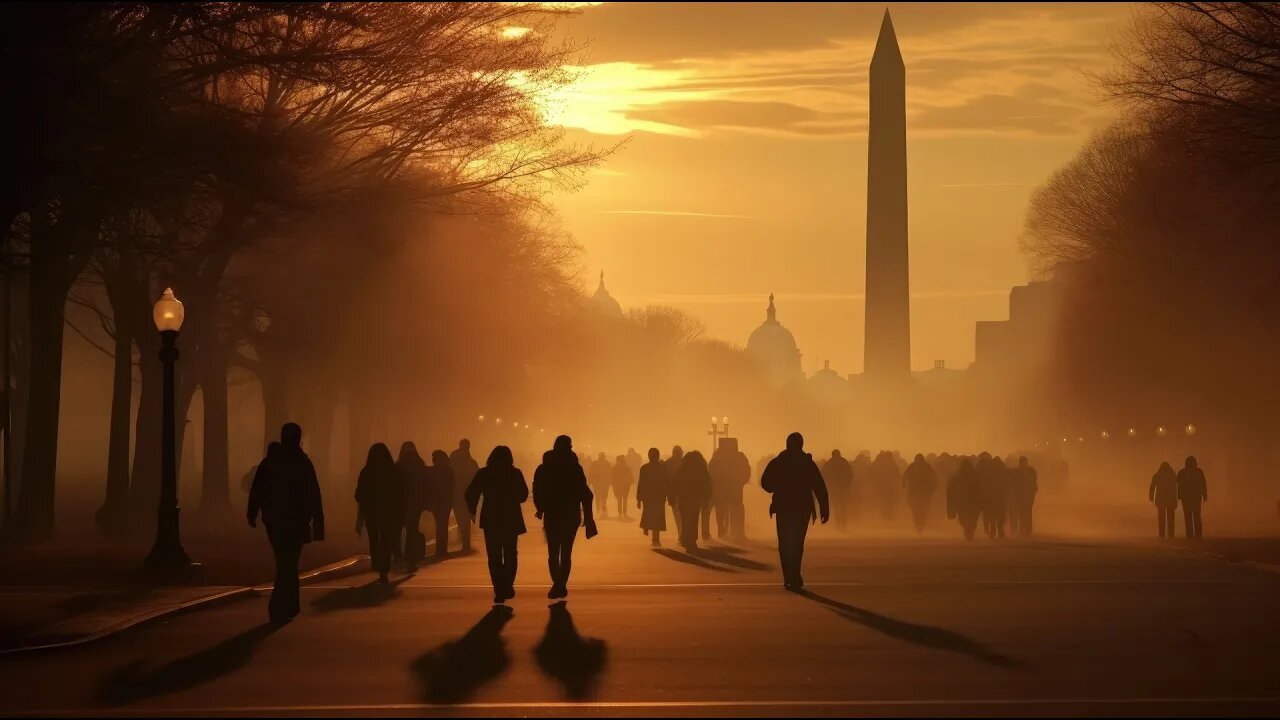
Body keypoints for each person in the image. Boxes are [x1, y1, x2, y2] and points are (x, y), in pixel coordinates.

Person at [247, 424, 324, 623]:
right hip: (297, 520)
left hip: (275, 520)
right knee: (289, 562)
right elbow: (313, 493)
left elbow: (257, 489)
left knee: (284, 561)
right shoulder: (302, 462)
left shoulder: (271, 462)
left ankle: (283, 605)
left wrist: (252, 513)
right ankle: (285, 604)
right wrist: (318, 524)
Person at [762, 433, 829, 591]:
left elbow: (766, 484)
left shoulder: (779, 462)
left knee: (784, 543)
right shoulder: (806, 463)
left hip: (784, 508)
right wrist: (824, 508)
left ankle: (788, 577)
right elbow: (819, 487)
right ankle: (795, 575)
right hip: (802, 508)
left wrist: (778, 486)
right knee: (797, 543)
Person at [533, 436, 597, 599]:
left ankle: (557, 583)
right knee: (566, 552)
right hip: (571, 514)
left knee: (553, 552)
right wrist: (588, 520)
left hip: (552, 514)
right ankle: (561, 584)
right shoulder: (575, 468)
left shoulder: (544, 467)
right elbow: (586, 494)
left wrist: (540, 508)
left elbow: (537, 489)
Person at [465, 445, 529, 604]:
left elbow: (471, 492)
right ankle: (508, 584)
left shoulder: (484, 473)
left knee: (494, 556)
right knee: (510, 554)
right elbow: (523, 495)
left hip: (491, 519)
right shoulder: (515, 473)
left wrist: (472, 508)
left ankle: (499, 587)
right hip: (510, 518)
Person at [355, 443, 403, 584]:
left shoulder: (366, 471)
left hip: (372, 514)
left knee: (374, 540)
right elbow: (400, 494)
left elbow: (359, 495)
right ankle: (384, 569)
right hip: (389, 514)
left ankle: (377, 563)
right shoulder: (393, 471)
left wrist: (359, 518)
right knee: (387, 540)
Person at [709, 438, 751, 541]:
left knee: (722, 510)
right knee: (736, 509)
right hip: (734, 489)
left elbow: (710, 472)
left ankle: (723, 532)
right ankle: (737, 533)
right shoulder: (740, 457)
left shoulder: (716, 457)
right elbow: (746, 471)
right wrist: (741, 482)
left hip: (721, 490)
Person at [398, 442, 431, 570]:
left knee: (400, 530)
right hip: (416, 504)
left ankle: (403, 555)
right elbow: (427, 485)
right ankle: (411, 557)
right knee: (412, 529)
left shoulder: (399, 465)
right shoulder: (420, 464)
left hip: (402, 503)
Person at [672, 450, 712, 552]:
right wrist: (706, 497)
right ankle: (692, 540)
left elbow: (675, 480)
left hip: (683, 498)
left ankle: (685, 539)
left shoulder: (683, 468)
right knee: (694, 520)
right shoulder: (701, 468)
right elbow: (707, 482)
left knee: (685, 520)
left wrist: (673, 494)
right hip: (695, 498)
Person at [449, 439, 480, 553]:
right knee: (466, 518)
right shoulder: (471, 462)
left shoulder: (453, 457)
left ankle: (464, 541)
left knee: (461, 518)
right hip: (467, 495)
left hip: (457, 494)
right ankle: (466, 542)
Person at [636, 447, 669, 547]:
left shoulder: (644, 468)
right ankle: (656, 538)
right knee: (658, 517)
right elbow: (666, 483)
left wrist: (639, 499)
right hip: (659, 496)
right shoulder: (662, 468)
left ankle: (652, 535)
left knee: (650, 515)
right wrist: (668, 495)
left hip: (648, 497)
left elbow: (641, 484)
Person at [947, 459, 982, 540]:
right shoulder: (974, 475)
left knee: (964, 518)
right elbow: (979, 488)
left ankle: (968, 530)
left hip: (964, 501)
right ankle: (970, 530)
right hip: (971, 501)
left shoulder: (959, 476)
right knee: (971, 518)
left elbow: (953, 488)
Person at [902, 453, 937, 534]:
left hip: (915, 493)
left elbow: (904, 476)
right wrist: (933, 488)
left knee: (916, 510)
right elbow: (934, 477)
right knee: (921, 510)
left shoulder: (912, 466)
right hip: (923, 493)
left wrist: (904, 486)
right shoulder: (927, 466)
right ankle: (920, 524)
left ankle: (918, 524)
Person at [430, 450, 455, 558]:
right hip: (445, 502)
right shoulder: (448, 470)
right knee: (443, 526)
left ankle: (440, 550)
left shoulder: (434, 470)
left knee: (440, 526)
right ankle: (442, 550)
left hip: (438, 502)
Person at [821, 450, 852, 532]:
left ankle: (840, 522)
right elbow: (850, 474)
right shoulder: (844, 462)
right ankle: (842, 522)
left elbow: (823, 474)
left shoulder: (830, 463)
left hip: (835, 488)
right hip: (841, 488)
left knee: (837, 505)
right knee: (842, 505)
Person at [1177, 456, 1208, 540]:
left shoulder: (1182, 473)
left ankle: (1189, 535)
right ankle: (1198, 535)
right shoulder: (1198, 472)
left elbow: (1179, 485)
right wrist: (1204, 494)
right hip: (1196, 498)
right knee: (1196, 516)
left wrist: (1179, 495)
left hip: (1186, 498)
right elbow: (1203, 483)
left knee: (1188, 516)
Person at [978, 453, 1007, 539]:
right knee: (999, 514)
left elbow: (985, 485)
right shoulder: (1002, 472)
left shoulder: (989, 473)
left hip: (991, 498)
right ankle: (999, 530)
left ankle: (993, 530)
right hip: (999, 498)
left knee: (992, 515)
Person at [1149, 461, 1179, 538]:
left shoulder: (1158, 475)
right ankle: (1171, 535)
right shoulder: (1172, 475)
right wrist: (1177, 498)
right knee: (1171, 519)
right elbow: (1176, 488)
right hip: (1170, 500)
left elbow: (1152, 486)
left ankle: (1162, 534)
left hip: (1161, 500)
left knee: (1161, 518)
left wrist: (1151, 497)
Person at [1011, 456, 1039, 536]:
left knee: (1023, 512)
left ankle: (1025, 528)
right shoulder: (1030, 471)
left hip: (1024, 495)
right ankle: (1027, 528)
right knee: (1026, 512)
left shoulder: (1019, 472)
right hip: (1025, 495)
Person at [664, 446, 686, 543]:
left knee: (677, 515)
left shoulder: (668, 463)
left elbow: (665, 480)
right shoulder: (685, 463)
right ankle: (682, 534)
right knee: (684, 515)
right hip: (684, 493)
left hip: (673, 493)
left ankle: (680, 534)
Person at [870, 451, 900, 521]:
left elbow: (871, 470)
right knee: (889, 499)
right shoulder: (890, 460)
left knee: (884, 498)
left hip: (882, 484)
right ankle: (888, 513)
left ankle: (887, 513)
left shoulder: (879, 459)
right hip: (888, 484)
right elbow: (897, 471)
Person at [589, 452, 613, 519]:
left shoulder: (594, 463)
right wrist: (610, 482)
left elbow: (591, 473)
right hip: (605, 483)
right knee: (604, 496)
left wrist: (590, 481)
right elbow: (610, 473)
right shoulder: (607, 464)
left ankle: (598, 511)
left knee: (597, 496)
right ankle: (603, 507)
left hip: (596, 483)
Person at [610, 455, 634, 520]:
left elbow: (612, 477)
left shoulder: (615, 468)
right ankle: (623, 513)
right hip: (624, 486)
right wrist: (631, 482)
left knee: (620, 500)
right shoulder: (627, 467)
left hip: (619, 486)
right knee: (622, 499)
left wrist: (612, 484)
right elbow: (630, 476)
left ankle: (621, 513)